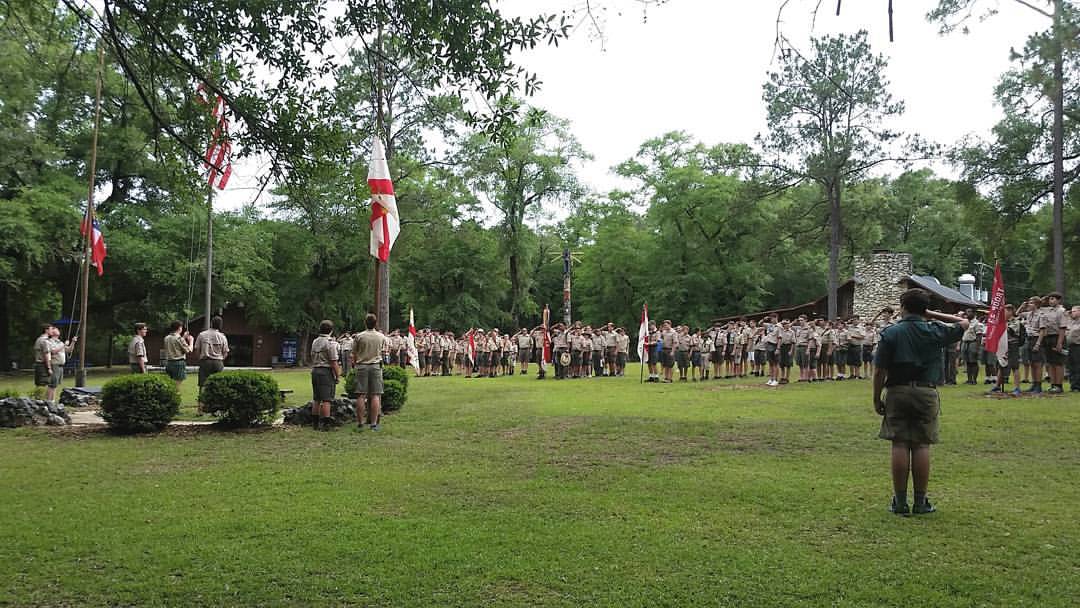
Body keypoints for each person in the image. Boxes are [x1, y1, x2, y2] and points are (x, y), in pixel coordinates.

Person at [873, 288, 968, 516]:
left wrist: (877, 398)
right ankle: (920, 501)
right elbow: (963, 322)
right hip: (926, 391)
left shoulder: (891, 333)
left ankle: (900, 501)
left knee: (899, 443)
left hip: (898, 390)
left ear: (902, 307)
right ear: (924, 309)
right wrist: (931, 315)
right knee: (921, 445)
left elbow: (879, 371)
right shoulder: (934, 330)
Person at [352, 313, 388, 431]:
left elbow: (354, 353)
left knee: (360, 395)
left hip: (362, 365)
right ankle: (373, 423)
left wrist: (355, 363)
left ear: (365, 323)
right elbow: (384, 350)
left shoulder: (359, 336)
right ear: (376, 323)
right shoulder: (380, 336)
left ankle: (360, 422)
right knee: (375, 395)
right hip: (375, 366)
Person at [310, 320, 341, 431]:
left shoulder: (315, 341)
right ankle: (326, 424)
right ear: (331, 331)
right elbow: (333, 361)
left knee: (316, 398)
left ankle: (315, 424)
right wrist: (337, 375)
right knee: (327, 399)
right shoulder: (330, 343)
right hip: (325, 371)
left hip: (315, 370)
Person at [194, 316, 229, 412]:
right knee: (218, 385)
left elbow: (197, 349)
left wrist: (200, 358)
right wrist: (220, 359)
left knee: (203, 385)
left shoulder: (202, 335)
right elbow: (225, 352)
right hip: (218, 362)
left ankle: (200, 409)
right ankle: (216, 408)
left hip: (205, 361)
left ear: (211, 323)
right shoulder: (222, 336)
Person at [1039, 292, 1069, 393]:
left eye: (1053, 299)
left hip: (1057, 337)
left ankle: (1059, 385)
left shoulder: (1061, 311)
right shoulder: (1047, 310)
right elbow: (1038, 304)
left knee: (1058, 363)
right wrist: (1044, 299)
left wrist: (1059, 343)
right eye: (1050, 299)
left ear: (1058, 300)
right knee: (1050, 363)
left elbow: (1062, 328)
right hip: (1048, 337)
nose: (1050, 301)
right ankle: (1053, 384)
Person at [163, 321, 194, 393]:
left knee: (170, 383)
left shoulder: (167, 338)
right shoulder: (179, 338)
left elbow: (176, 345)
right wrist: (191, 341)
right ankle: (174, 398)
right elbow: (188, 350)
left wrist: (183, 337)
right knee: (177, 385)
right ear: (179, 328)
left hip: (169, 363)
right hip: (178, 363)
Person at [1067, 305, 1080, 392]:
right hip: (1069, 346)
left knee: (1077, 366)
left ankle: (1077, 386)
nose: (1072, 313)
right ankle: (1073, 385)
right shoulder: (1071, 321)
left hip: (1077, 346)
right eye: (1072, 311)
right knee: (1070, 367)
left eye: (1074, 311)